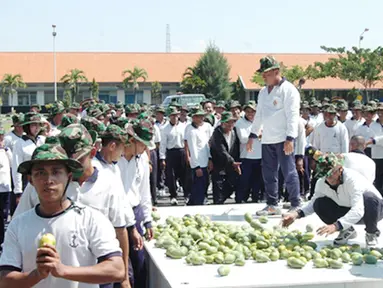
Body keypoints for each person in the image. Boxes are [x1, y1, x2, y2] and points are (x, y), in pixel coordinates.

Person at [0, 143, 125, 287]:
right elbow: (4, 281)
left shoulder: (91, 219)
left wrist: (63, 270)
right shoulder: (18, 225)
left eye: (56, 172)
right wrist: (37, 275)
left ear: (69, 177)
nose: (48, 180)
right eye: (40, 173)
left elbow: (117, 269)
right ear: (31, 181)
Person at [282, 154, 383, 247]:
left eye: (331, 173)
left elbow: (358, 210)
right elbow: (313, 204)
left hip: (373, 210)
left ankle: (371, 233)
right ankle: (347, 230)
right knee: (319, 204)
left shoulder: (352, 180)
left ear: (340, 169)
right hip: (347, 207)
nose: (329, 178)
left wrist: (336, 226)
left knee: (370, 198)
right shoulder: (322, 182)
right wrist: (296, 214)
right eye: (325, 175)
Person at [247, 56, 301, 215]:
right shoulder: (263, 92)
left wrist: (290, 138)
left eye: (266, 73)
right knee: (269, 173)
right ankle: (272, 203)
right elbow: (259, 116)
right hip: (268, 139)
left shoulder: (289, 89)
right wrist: (252, 135)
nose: (263, 77)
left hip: (284, 138)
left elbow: (293, 115)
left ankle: (296, 203)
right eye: (262, 74)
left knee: (289, 171)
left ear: (276, 71)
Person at [118, 119, 154, 288]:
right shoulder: (115, 159)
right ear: (132, 140)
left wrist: (147, 220)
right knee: (120, 266)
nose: (145, 148)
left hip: (135, 211)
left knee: (139, 263)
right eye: (143, 144)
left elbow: (144, 191)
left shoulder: (142, 159)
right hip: (116, 216)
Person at [11, 112, 45, 213]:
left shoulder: (42, 140)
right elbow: (16, 168)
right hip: (28, 181)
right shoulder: (20, 144)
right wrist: (18, 192)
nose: (37, 128)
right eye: (33, 125)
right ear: (26, 126)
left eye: (38, 125)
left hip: (43, 179)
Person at [235, 101, 264, 203]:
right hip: (246, 156)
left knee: (257, 181)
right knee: (244, 181)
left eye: (253, 111)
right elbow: (243, 139)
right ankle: (240, 199)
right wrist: (257, 135)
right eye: (248, 111)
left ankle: (255, 199)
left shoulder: (260, 121)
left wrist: (255, 136)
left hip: (259, 155)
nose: (250, 114)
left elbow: (265, 135)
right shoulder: (240, 123)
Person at [210, 111, 240, 204]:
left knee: (231, 185)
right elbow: (221, 150)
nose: (230, 124)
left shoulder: (234, 131)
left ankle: (222, 199)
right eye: (228, 122)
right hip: (219, 165)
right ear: (222, 123)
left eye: (232, 122)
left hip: (230, 166)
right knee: (218, 189)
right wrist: (232, 162)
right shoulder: (216, 133)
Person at [185, 107, 212, 205]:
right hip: (198, 164)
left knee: (204, 185)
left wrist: (210, 158)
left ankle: (193, 203)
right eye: (198, 117)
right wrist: (196, 166)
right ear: (193, 118)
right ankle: (197, 205)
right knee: (199, 188)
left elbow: (207, 145)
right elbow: (192, 149)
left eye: (201, 116)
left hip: (205, 161)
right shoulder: (191, 130)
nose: (200, 119)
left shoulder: (205, 127)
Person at [159, 107, 187, 206]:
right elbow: (163, 144)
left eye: (176, 115)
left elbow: (186, 141)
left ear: (179, 115)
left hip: (182, 151)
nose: (174, 117)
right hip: (171, 152)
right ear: (169, 116)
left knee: (184, 174)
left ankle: (186, 195)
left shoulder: (184, 126)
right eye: (172, 116)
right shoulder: (165, 129)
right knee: (171, 175)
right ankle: (173, 196)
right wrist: (162, 158)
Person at [0, 127, 12, 249]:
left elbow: (12, 163)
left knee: (4, 214)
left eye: (1, 137)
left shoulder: (6, 151)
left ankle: (2, 240)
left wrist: (6, 150)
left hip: (6, 187)